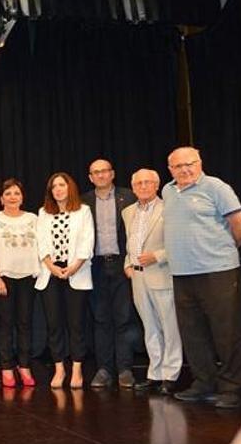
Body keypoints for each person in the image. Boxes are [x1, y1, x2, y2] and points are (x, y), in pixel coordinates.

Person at [163, 146, 241, 409]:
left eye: (190, 163)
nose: (185, 169)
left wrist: (221, 251)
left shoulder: (216, 188)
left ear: (200, 163)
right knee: (193, 333)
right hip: (181, 273)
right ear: (170, 170)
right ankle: (203, 383)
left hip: (217, 271)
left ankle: (233, 387)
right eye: (178, 166)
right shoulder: (167, 191)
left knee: (226, 331)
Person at [122, 169, 181, 395]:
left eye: (147, 182)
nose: (143, 186)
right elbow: (131, 242)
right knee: (150, 328)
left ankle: (171, 374)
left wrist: (157, 256)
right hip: (137, 277)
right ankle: (155, 374)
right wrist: (127, 263)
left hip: (161, 273)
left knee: (169, 326)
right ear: (133, 187)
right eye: (138, 183)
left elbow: (178, 241)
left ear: (157, 185)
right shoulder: (128, 212)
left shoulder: (169, 209)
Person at [0, 179, 40, 388]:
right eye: (8, 193)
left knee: (25, 323)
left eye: (16, 193)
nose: (13, 197)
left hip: (28, 278)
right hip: (3, 278)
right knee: (5, 324)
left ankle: (24, 366)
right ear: (1, 198)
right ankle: (6, 367)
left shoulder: (33, 219)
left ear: (22, 197)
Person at [81, 159, 138, 389]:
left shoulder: (129, 197)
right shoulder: (83, 201)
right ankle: (104, 369)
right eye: (96, 172)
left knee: (124, 318)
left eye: (104, 171)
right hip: (95, 267)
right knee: (101, 318)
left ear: (112, 174)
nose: (101, 175)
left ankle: (125, 369)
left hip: (122, 264)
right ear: (90, 177)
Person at [35, 173, 94, 389]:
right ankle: (59, 368)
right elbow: (41, 242)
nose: (58, 189)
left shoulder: (83, 211)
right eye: (54, 186)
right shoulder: (43, 213)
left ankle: (77, 369)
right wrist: (51, 267)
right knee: (54, 324)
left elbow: (87, 242)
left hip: (76, 272)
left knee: (76, 324)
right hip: (50, 273)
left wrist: (74, 267)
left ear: (70, 188)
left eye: (62, 185)